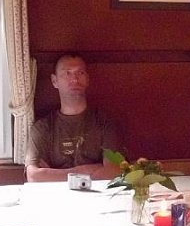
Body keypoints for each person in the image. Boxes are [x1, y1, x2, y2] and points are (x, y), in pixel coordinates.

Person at [25, 54, 120, 182]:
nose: (74, 79)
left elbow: (113, 172)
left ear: (87, 79)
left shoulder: (105, 122)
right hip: (55, 194)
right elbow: (33, 177)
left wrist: (53, 174)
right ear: (54, 81)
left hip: (97, 193)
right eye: (67, 73)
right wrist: (87, 170)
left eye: (80, 73)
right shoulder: (42, 128)